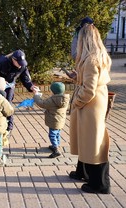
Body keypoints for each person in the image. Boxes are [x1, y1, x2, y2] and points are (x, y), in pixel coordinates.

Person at [69, 23, 111, 194]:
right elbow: (89, 82)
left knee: (94, 143)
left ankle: (99, 184)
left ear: (84, 40)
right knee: (88, 140)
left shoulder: (91, 60)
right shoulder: (95, 56)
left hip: (91, 104)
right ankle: (85, 173)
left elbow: (88, 90)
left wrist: (75, 103)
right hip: (93, 103)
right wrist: (76, 77)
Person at [0, 50, 38, 134]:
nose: (20, 65)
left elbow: (25, 78)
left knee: (8, 105)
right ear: (13, 59)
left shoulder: (23, 65)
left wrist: (31, 86)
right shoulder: (2, 62)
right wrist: (0, 81)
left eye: (22, 63)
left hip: (10, 85)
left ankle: (9, 127)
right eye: (18, 63)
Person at [33, 82, 70, 158]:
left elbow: (41, 103)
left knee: (52, 135)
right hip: (60, 121)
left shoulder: (52, 100)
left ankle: (56, 150)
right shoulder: (65, 99)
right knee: (57, 133)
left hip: (53, 121)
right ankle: (56, 145)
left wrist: (36, 95)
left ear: (53, 91)